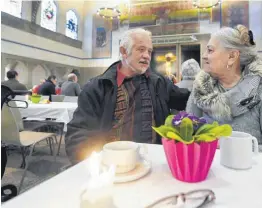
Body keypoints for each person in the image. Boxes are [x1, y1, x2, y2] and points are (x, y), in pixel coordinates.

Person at [65, 28, 190, 164]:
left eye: (149, 51)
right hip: (113, 166)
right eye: (141, 49)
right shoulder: (98, 88)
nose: (147, 56)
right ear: (124, 51)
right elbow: (78, 134)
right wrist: (96, 165)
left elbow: (187, 100)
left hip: (154, 163)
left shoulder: (159, 83)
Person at [186, 25, 262, 146]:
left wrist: (231, 149)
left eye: (210, 50)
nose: (204, 56)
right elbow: (187, 137)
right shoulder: (201, 90)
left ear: (232, 57)